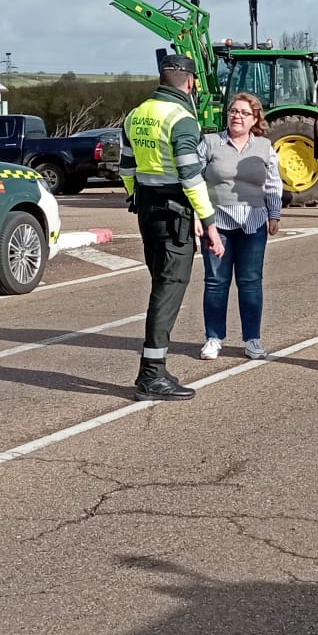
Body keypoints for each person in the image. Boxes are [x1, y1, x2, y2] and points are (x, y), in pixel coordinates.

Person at [124, 52, 221, 401]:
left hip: (147, 209)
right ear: (191, 82)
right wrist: (208, 221)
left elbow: (125, 166)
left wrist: (135, 196)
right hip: (175, 212)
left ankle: (154, 369)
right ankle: (151, 373)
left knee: (160, 283)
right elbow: (191, 176)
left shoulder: (136, 115)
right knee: (169, 288)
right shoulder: (181, 119)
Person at [199, 93, 282, 361]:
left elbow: (273, 183)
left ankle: (253, 339)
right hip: (216, 223)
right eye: (234, 111)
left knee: (250, 282)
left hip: (253, 222)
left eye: (245, 113)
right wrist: (196, 216)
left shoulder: (265, 147)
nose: (237, 116)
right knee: (216, 282)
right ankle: (213, 338)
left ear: (255, 118)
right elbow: (194, 181)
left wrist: (274, 214)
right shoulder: (211, 143)